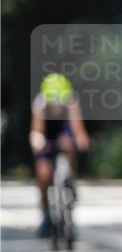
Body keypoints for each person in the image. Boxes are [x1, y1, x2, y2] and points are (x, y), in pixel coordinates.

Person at [29, 73, 90, 237]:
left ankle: (70, 179)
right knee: (43, 174)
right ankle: (46, 216)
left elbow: (77, 128)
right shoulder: (40, 104)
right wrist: (37, 141)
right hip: (47, 136)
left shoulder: (71, 101)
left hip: (63, 133)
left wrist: (81, 139)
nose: (56, 107)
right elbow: (36, 131)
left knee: (69, 146)